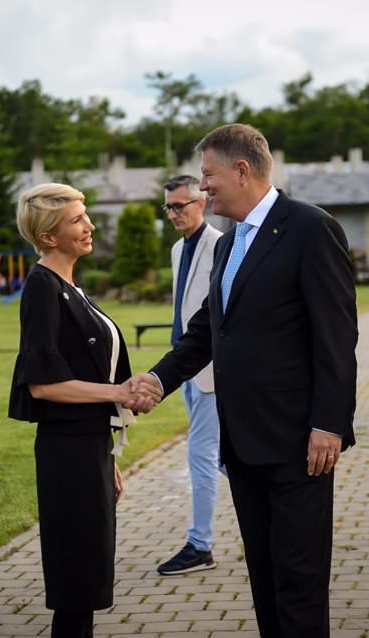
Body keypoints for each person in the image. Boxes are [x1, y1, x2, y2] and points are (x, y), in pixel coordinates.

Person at [130, 124, 358, 637]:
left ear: (242, 169)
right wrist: (157, 380)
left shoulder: (310, 228)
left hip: (302, 443)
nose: (203, 187)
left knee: (299, 583)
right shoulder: (231, 241)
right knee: (264, 579)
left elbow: (337, 337)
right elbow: (209, 328)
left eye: (208, 176)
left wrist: (329, 423)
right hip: (245, 443)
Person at [7, 183, 154, 638]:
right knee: (76, 582)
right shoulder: (42, 288)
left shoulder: (69, 286)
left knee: (87, 577)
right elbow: (44, 384)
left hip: (88, 450)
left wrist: (106, 454)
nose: (89, 226)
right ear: (49, 236)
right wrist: (117, 393)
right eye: (77, 219)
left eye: (85, 215)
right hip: (66, 454)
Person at [156, 175, 224, 575]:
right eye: (168, 207)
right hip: (185, 369)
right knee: (221, 456)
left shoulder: (221, 245)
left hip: (212, 371)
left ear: (201, 203)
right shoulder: (177, 249)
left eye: (180, 206)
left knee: (201, 456)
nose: (173, 214)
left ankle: (200, 544)